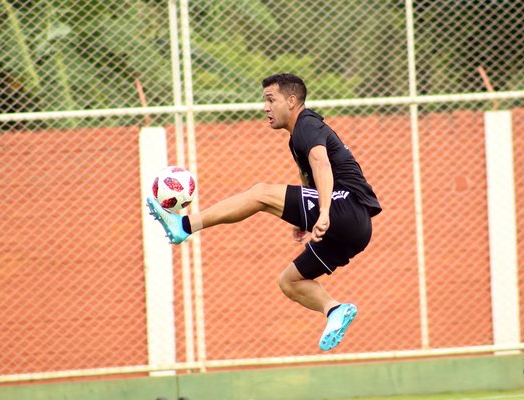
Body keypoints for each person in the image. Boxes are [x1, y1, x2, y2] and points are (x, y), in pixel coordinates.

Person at [146, 73, 381, 351]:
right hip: (356, 229)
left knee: (261, 193)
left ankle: (183, 226)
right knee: (290, 282)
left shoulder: (307, 124)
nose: (265, 108)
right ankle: (334, 310)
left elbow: (320, 161)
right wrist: (305, 218)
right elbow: (308, 173)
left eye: (271, 100)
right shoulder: (297, 138)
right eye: (264, 101)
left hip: (347, 207)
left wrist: (324, 210)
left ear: (292, 101)